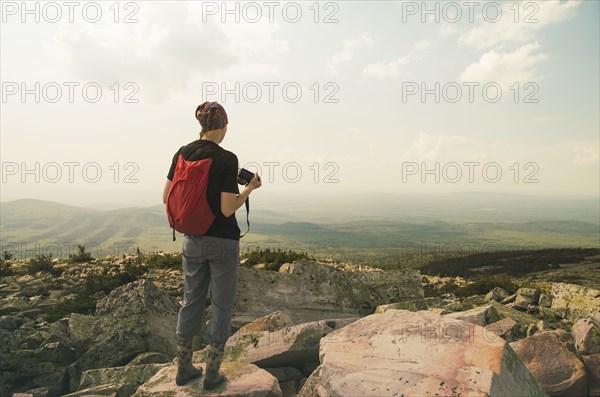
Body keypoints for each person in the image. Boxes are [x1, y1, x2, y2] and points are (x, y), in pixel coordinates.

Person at [162, 101, 261, 389]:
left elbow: (165, 196)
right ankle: (213, 374)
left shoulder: (182, 153)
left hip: (192, 240)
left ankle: (184, 368)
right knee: (221, 305)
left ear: (202, 125)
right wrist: (249, 189)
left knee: (190, 301)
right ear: (223, 126)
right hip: (222, 243)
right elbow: (228, 208)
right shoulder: (227, 159)